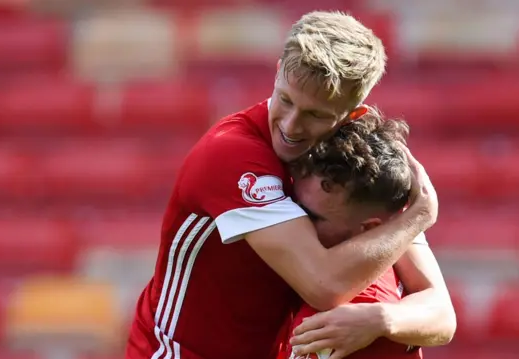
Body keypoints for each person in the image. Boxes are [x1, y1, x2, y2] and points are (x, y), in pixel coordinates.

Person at [125, 11, 439, 359]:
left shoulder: (354, 164)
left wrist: (382, 319)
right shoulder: (232, 153)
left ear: (353, 116)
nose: (291, 126)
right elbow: (325, 286)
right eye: (286, 100)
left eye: (316, 115)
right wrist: (417, 217)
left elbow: (439, 311)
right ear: (277, 73)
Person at [278, 109, 455, 359]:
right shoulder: (389, 222)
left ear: (371, 229)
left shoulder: (339, 323)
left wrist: (378, 318)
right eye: (291, 203)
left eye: (310, 215)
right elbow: (441, 310)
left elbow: (443, 316)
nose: (288, 220)